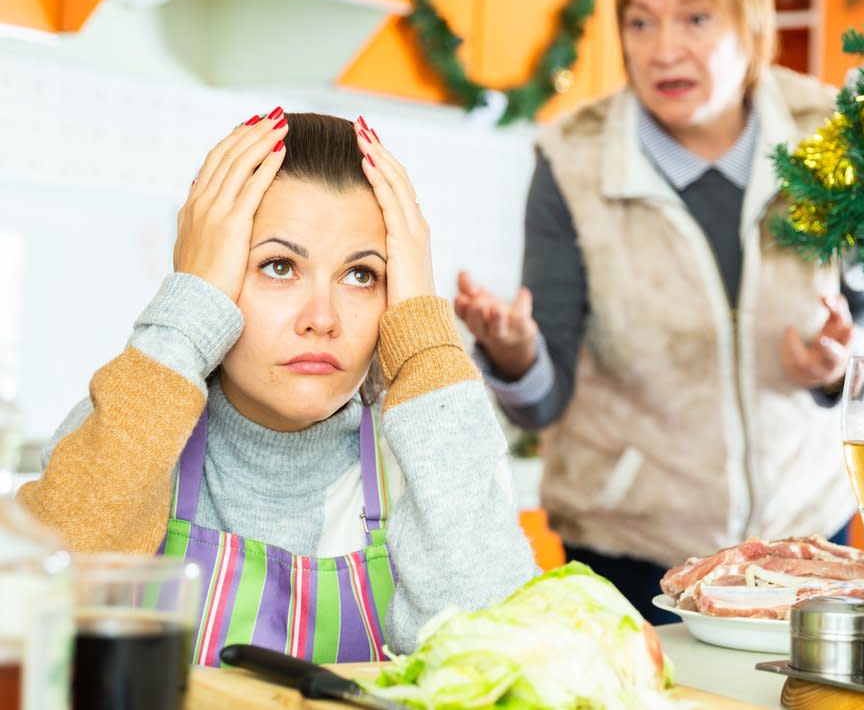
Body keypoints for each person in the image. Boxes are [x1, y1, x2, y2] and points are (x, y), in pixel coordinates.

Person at [454, 0, 864, 624]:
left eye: (694, 17)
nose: (663, 49)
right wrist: (516, 356)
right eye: (640, 22)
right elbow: (545, 401)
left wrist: (842, 363)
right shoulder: (573, 159)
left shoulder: (826, 133)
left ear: (750, 28)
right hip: (632, 555)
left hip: (806, 541)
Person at [17, 110, 537, 661]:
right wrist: (188, 308)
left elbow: (498, 665)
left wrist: (427, 341)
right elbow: (32, 628)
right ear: (211, 276)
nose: (322, 317)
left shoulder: (429, 458)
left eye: (362, 275)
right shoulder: (124, 428)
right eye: (279, 266)